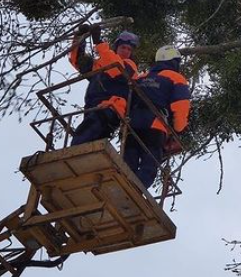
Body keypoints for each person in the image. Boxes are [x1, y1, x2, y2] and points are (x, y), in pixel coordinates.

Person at [125, 45, 191, 188]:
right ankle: (132, 191)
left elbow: (128, 99)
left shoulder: (141, 77)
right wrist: (178, 129)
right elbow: (181, 106)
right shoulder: (176, 78)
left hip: (131, 125)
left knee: (127, 162)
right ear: (173, 61)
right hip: (155, 125)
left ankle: (121, 186)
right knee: (149, 166)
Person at [68, 24, 140, 146]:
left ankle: (73, 153)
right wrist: (79, 38)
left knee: (82, 137)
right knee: (89, 139)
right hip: (92, 106)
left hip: (111, 107)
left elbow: (116, 69)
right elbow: (78, 60)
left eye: (129, 49)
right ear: (117, 48)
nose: (126, 51)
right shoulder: (100, 65)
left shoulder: (129, 66)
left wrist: (99, 42)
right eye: (123, 47)